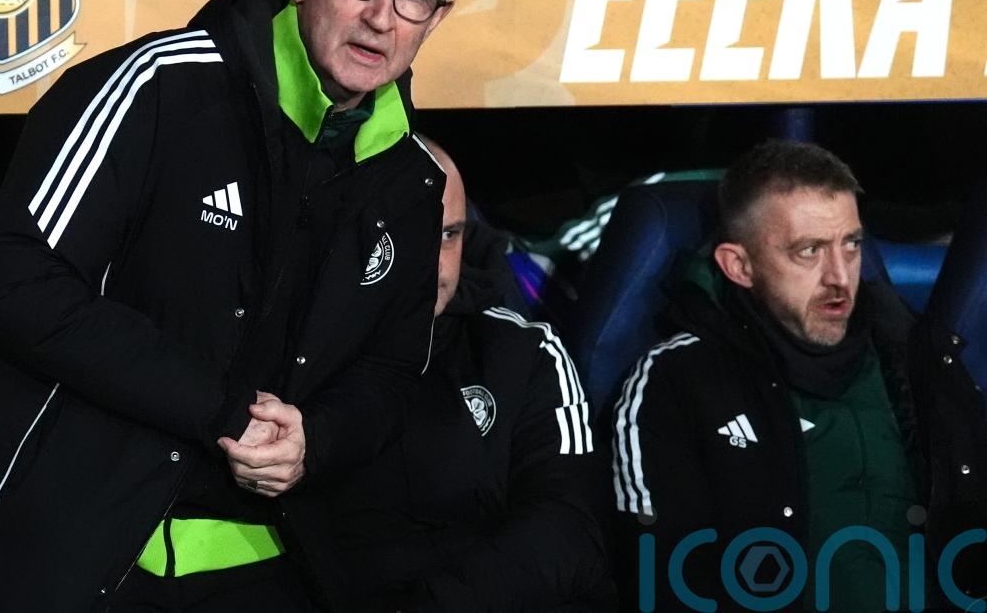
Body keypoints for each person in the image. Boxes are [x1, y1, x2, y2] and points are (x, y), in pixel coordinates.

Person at [0, 0, 456, 610]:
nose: (381, 16)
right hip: (65, 546)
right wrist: (222, 409)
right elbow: (14, 282)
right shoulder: (159, 87)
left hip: (270, 562)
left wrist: (317, 441)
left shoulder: (413, 180)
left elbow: (392, 372)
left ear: (436, 17)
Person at [609, 139, 987, 611]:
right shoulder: (677, 383)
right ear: (739, 266)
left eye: (851, 245)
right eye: (809, 251)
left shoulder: (917, 352)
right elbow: (666, 581)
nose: (839, 277)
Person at [322, 141, 614, 611]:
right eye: (410, 229)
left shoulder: (522, 351)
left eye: (448, 234)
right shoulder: (299, 362)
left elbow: (570, 530)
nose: (434, 263)